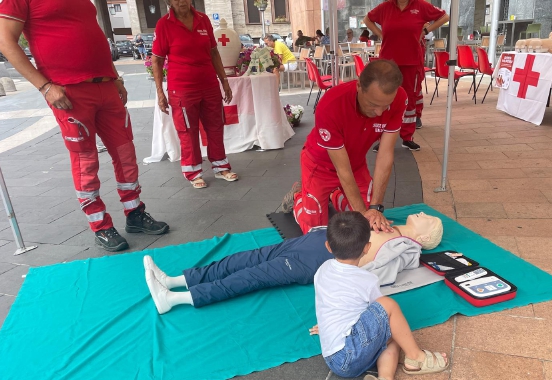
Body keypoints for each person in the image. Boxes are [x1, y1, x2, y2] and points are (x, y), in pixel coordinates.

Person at [0, 0, 169, 252]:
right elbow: (4, 41)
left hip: (105, 85)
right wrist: (44, 87)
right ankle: (100, 225)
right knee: (85, 160)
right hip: (68, 91)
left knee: (126, 154)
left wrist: (115, 77)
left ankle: (135, 213)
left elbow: (93, 34)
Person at [143, 211, 443, 314]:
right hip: (315, 241)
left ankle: (175, 298)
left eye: (424, 219)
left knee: (251, 275)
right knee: (245, 258)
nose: (420, 215)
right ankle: (176, 280)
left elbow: (378, 274)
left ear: (425, 234)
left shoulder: (403, 247)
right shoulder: (388, 227)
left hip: (318, 258)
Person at [311, 212, 449, 379]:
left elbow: (328, 300)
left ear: (328, 246)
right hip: (350, 352)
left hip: (333, 358)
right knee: (388, 306)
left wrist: (327, 324)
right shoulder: (366, 279)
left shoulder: (322, 269)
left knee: (395, 336)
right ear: (367, 248)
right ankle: (416, 357)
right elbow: (381, 311)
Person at [281, 60, 405, 234]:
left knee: (372, 220)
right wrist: (363, 214)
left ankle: (335, 195)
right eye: (373, 104)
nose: (379, 112)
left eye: (385, 105)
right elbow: (342, 169)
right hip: (320, 165)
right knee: (316, 232)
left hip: (355, 164)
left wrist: (375, 208)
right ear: (359, 85)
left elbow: (385, 155)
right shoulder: (330, 105)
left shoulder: (400, 97)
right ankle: (298, 198)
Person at [152, 0, 238, 189]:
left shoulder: (203, 19)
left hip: (209, 85)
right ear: (169, 1)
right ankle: (193, 172)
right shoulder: (164, 24)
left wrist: (224, 81)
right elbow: (156, 61)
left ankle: (220, 166)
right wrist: (160, 92)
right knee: (187, 130)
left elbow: (214, 52)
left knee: (215, 126)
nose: (181, 1)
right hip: (182, 88)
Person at [365, 0, 449, 152]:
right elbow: (367, 19)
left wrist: (426, 31)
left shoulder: (420, 5)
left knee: (409, 99)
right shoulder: (385, 7)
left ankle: (407, 137)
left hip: (411, 61)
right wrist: (379, 33)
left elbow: (444, 17)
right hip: (388, 62)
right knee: (383, 98)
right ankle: (382, 138)